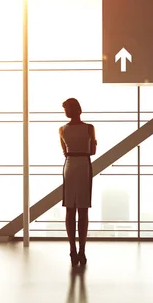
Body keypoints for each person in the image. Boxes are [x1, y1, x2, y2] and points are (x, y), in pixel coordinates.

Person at [59, 98, 97, 266]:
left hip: (70, 165)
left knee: (70, 208)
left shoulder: (61, 130)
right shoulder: (89, 128)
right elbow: (93, 150)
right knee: (83, 209)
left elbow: (64, 151)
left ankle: (72, 250)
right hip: (84, 165)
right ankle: (82, 250)